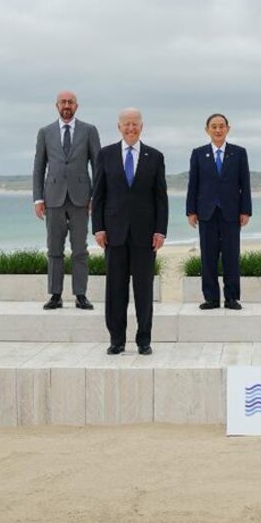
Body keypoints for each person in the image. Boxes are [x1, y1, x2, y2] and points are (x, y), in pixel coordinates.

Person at [91, 108, 168, 355]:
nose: (131, 128)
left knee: (144, 290)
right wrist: (98, 228)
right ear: (119, 127)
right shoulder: (105, 155)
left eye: (135, 124)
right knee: (115, 290)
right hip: (113, 233)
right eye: (127, 124)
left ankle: (144, 340)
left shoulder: (155, 156)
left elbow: (161, 198)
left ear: (141, 127)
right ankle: (117, 340)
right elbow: (98, 195)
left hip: (145, 235)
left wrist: (160, 231)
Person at [32, 90, 101, 311]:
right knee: (54, 249)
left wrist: (96, 197)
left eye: (70, 102)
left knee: (80, 249)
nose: (67, 105)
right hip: (53, 198)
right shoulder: (45, 132)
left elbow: (97, 166)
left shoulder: (89, 130)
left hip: (81, 199)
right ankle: (55, 295)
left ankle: (81, 294)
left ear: (76, 106)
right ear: (57, 106)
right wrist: (38, 199)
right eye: (63, 102)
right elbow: (39, 166)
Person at [185, 113, 252, 310]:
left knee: (231, 256)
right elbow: (193, 184)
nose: (218, 130)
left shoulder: (239, 153)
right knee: (208, 257)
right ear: (207, 130)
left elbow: (245, 183)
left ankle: (232, 298)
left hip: (231, 212)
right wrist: (191, 211)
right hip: (206, 212)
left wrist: (246, 210)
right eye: (214, 126)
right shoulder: (198, 153)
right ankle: (211, 298)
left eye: (221, 126)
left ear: (228, 129)